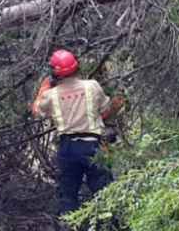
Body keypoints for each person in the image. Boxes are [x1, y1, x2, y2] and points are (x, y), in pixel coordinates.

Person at [31, 49, 123, 216]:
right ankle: (109, 225)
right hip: (94, 145)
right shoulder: (92, 86)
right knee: (105, 193)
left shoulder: (51, 95)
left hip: (68, 149)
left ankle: (70, 226)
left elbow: (36, 110)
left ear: (55, 73)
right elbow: (106, 109)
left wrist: (44, 86)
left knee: (68, 196)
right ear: (76, 66)